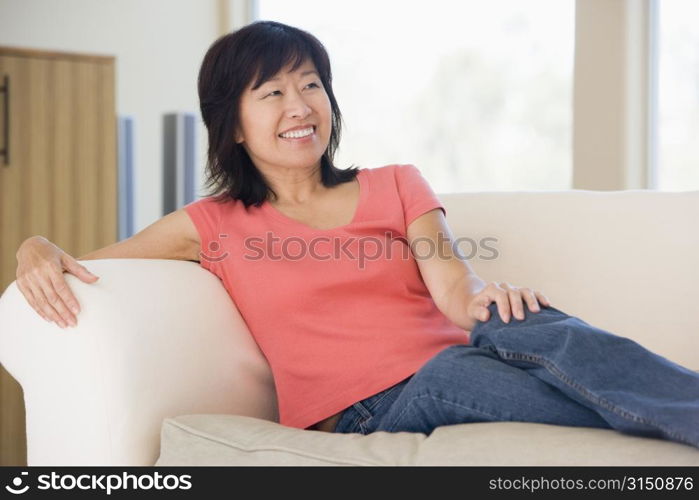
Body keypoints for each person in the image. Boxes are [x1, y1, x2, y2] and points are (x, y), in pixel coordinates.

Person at [15, 21, 699, 449]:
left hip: (452, 360)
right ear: (232, 123)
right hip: (365, 411)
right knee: (458, 369)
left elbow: (456, 288)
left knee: (526, 321)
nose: (300, 106)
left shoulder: (396, 183)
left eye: (310, 85)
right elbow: (86, 262)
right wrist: (32, 248)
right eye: (272, 93)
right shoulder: (209, 224)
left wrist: (492, 301)